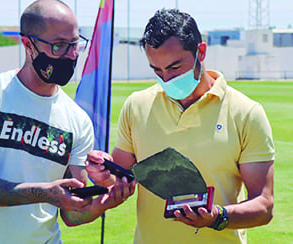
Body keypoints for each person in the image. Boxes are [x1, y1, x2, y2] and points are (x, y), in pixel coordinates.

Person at [0, 0, 134, 243]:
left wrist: (102, 203)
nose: (71, 54)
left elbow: (71, 212)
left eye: (75, 44)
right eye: (59, 46)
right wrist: (45, 192)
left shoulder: (77, 120)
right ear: (28, 44)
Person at [85, 8, 274, 244]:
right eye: (156, 70)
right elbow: (120, 180)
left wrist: (217, 216)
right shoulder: (136, 105)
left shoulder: (247, 113)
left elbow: (264, 205)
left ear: (201, 52)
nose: (166, 79)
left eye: (175, 68)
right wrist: (103, 173)